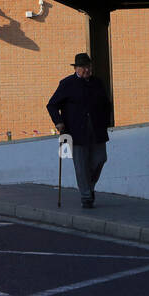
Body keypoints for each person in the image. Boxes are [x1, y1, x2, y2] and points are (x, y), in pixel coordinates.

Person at [46, 52, 114, 208]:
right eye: (83, 68)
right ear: (76, 68)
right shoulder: (67, 84)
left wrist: (106, 121)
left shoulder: (97, 83)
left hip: (97, 130)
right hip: (76, 131)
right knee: (81, 165)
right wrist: (58, 122)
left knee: (100, 159)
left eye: (89, 67)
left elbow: (106, 104)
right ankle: (86, 196)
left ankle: (88, 186)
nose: (87, 70)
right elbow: (52, 105)